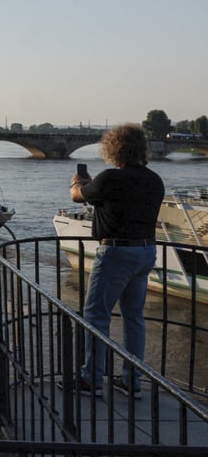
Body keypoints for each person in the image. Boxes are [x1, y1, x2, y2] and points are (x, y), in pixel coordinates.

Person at [68, 123, 164, 399]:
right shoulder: (154, 180)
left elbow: (77, 197)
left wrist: (77, 183)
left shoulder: (109, 178)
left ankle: (90, 381)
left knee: (96, 316)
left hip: (116, 253)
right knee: (134, 318)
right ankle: (132, 381)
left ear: (113, 148)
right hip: (146, 252)